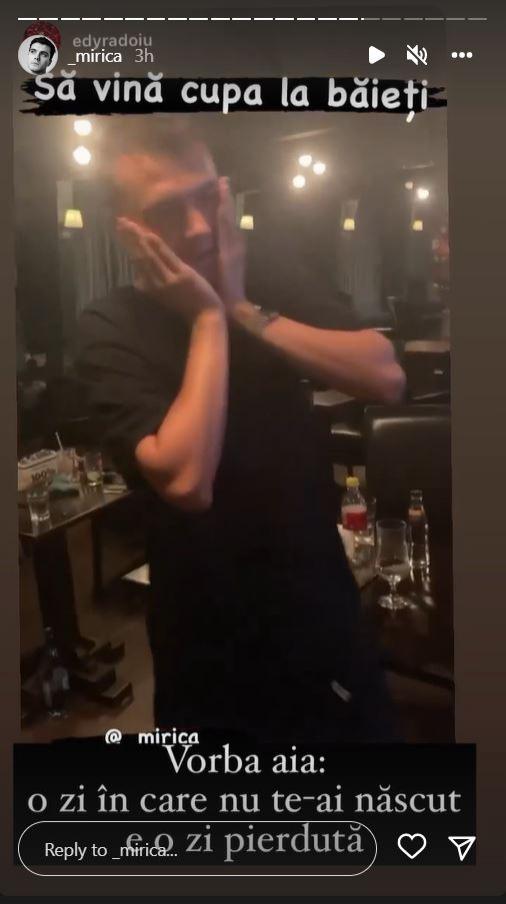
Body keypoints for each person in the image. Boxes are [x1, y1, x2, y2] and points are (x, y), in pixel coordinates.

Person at [77, 120, 406, 744]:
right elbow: (186, 480)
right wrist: (209, 316)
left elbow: (385, 375)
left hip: (317, 600)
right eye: (168, 211)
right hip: (203, 631)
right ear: (126, 230)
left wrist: (241, 309)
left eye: (206, 197)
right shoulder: (108, 326)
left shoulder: (264, 274)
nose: (200, 227)